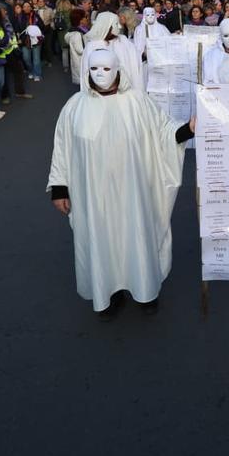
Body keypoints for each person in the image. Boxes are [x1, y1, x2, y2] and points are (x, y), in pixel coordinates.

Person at [47, 43, 194, 317]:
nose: (100, 74)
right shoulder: (74, 107)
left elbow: (164, 132)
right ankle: (108, 292)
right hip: (93, 195)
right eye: (94, 68)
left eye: (106, 68)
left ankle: (145, 291)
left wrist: (187, 129)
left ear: (118, 71)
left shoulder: (138, 101)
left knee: (137, 235)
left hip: (133, 192)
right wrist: (59, 188)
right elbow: (62, 148)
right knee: (101, 240)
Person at [65, 8, 89, 87]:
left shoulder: (81, 31)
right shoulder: (77, 34)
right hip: (81, 64)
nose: (87, 19)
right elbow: (80, 50)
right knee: (84, 86)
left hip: (81, 64)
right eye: (85, 17)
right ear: (80, 20)